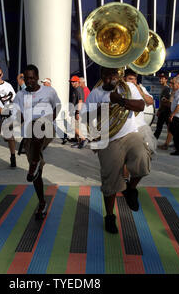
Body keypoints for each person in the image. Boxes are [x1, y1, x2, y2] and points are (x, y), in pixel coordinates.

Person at [85, 67, 151, 234]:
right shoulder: (95, 93)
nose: (110, 78)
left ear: (119, 74)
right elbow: (86, 117)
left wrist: (120, 100)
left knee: (143, 159)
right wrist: (102, 108)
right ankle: (109, 216)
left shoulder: (129, 88)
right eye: (106, 75)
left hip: (129, 134)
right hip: (107, 139)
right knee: (111, 182)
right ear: (101, 76)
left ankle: (130, 189)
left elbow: (141, 106)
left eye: (113, 74)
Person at [13, 64, 61, 219]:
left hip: (46, 128)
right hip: (29, 135)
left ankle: (35, 161)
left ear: (38, 78)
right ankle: (41, 202)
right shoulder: (20, 95)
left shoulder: (49, 91)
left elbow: (57, 106)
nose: (30, 81)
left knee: (39, 124)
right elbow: (18, 116)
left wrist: (50, 119)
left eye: (32, 78)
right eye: (27, 78)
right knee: (36, 175)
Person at [69, 75, 88, 149]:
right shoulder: (77, 89)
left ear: (77, 82)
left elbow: (80, 101)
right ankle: (79, 142)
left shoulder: (78, 89)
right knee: (76, 127)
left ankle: (83, 139)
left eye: (73, 82)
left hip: (77, 111)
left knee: (74, 127)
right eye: (71, 82)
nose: (72, 83)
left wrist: (77, 112)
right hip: (76, 111)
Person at [154, 73, 171, 140]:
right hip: (163, 111)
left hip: (165, 111)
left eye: (162, 78)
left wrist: (159, 110)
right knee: (159, 127)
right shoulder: (164, 88)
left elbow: (164, 102)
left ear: (166, 80)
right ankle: (154, 140)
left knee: (161, 128)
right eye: (160, 78)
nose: (160, 80)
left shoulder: (166, 89)